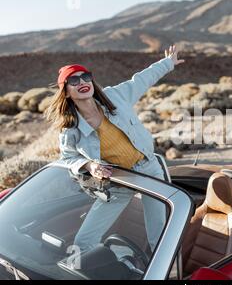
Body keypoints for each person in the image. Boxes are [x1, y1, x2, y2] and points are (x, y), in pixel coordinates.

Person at [44, 45, 185, 253]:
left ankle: (168, 273)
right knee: (84, 240)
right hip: (117, 179)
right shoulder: (69, 126)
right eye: (73, 80)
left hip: (149, 169)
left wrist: (168, 63)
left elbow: (141, 80)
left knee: (160, 236)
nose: (82, 82)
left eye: (85, 77)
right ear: (65, 91)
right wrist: (89, 165)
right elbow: (67, 158)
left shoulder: (114, 97)